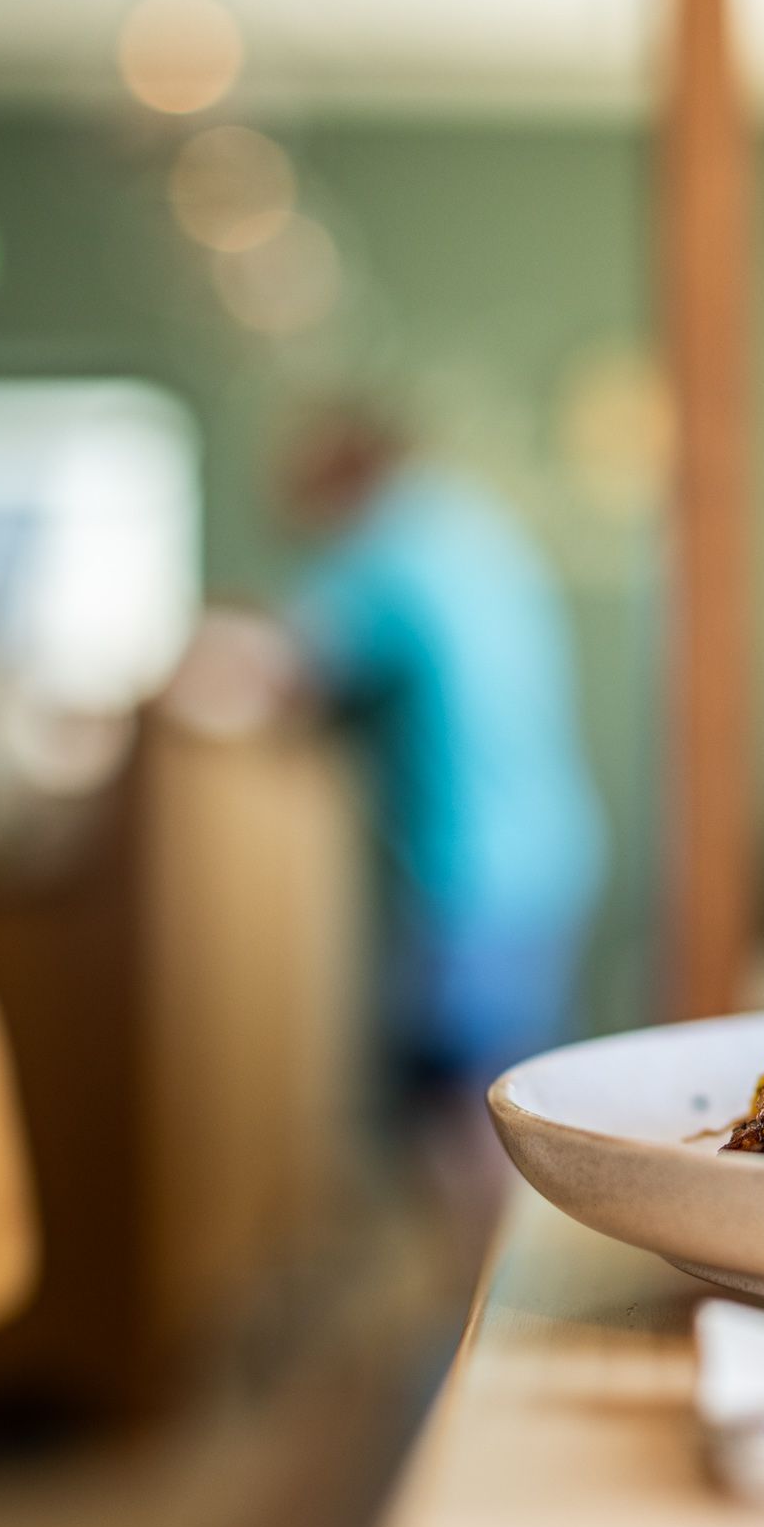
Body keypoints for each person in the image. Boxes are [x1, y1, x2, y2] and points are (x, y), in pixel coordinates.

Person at [248, 401, 606, 1117]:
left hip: (478, 872)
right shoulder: (465, 522)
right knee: (516, 1085)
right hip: (551, 851)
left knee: (472, 1103)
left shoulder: (390, 547)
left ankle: (490, 1235)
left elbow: (285, 669)